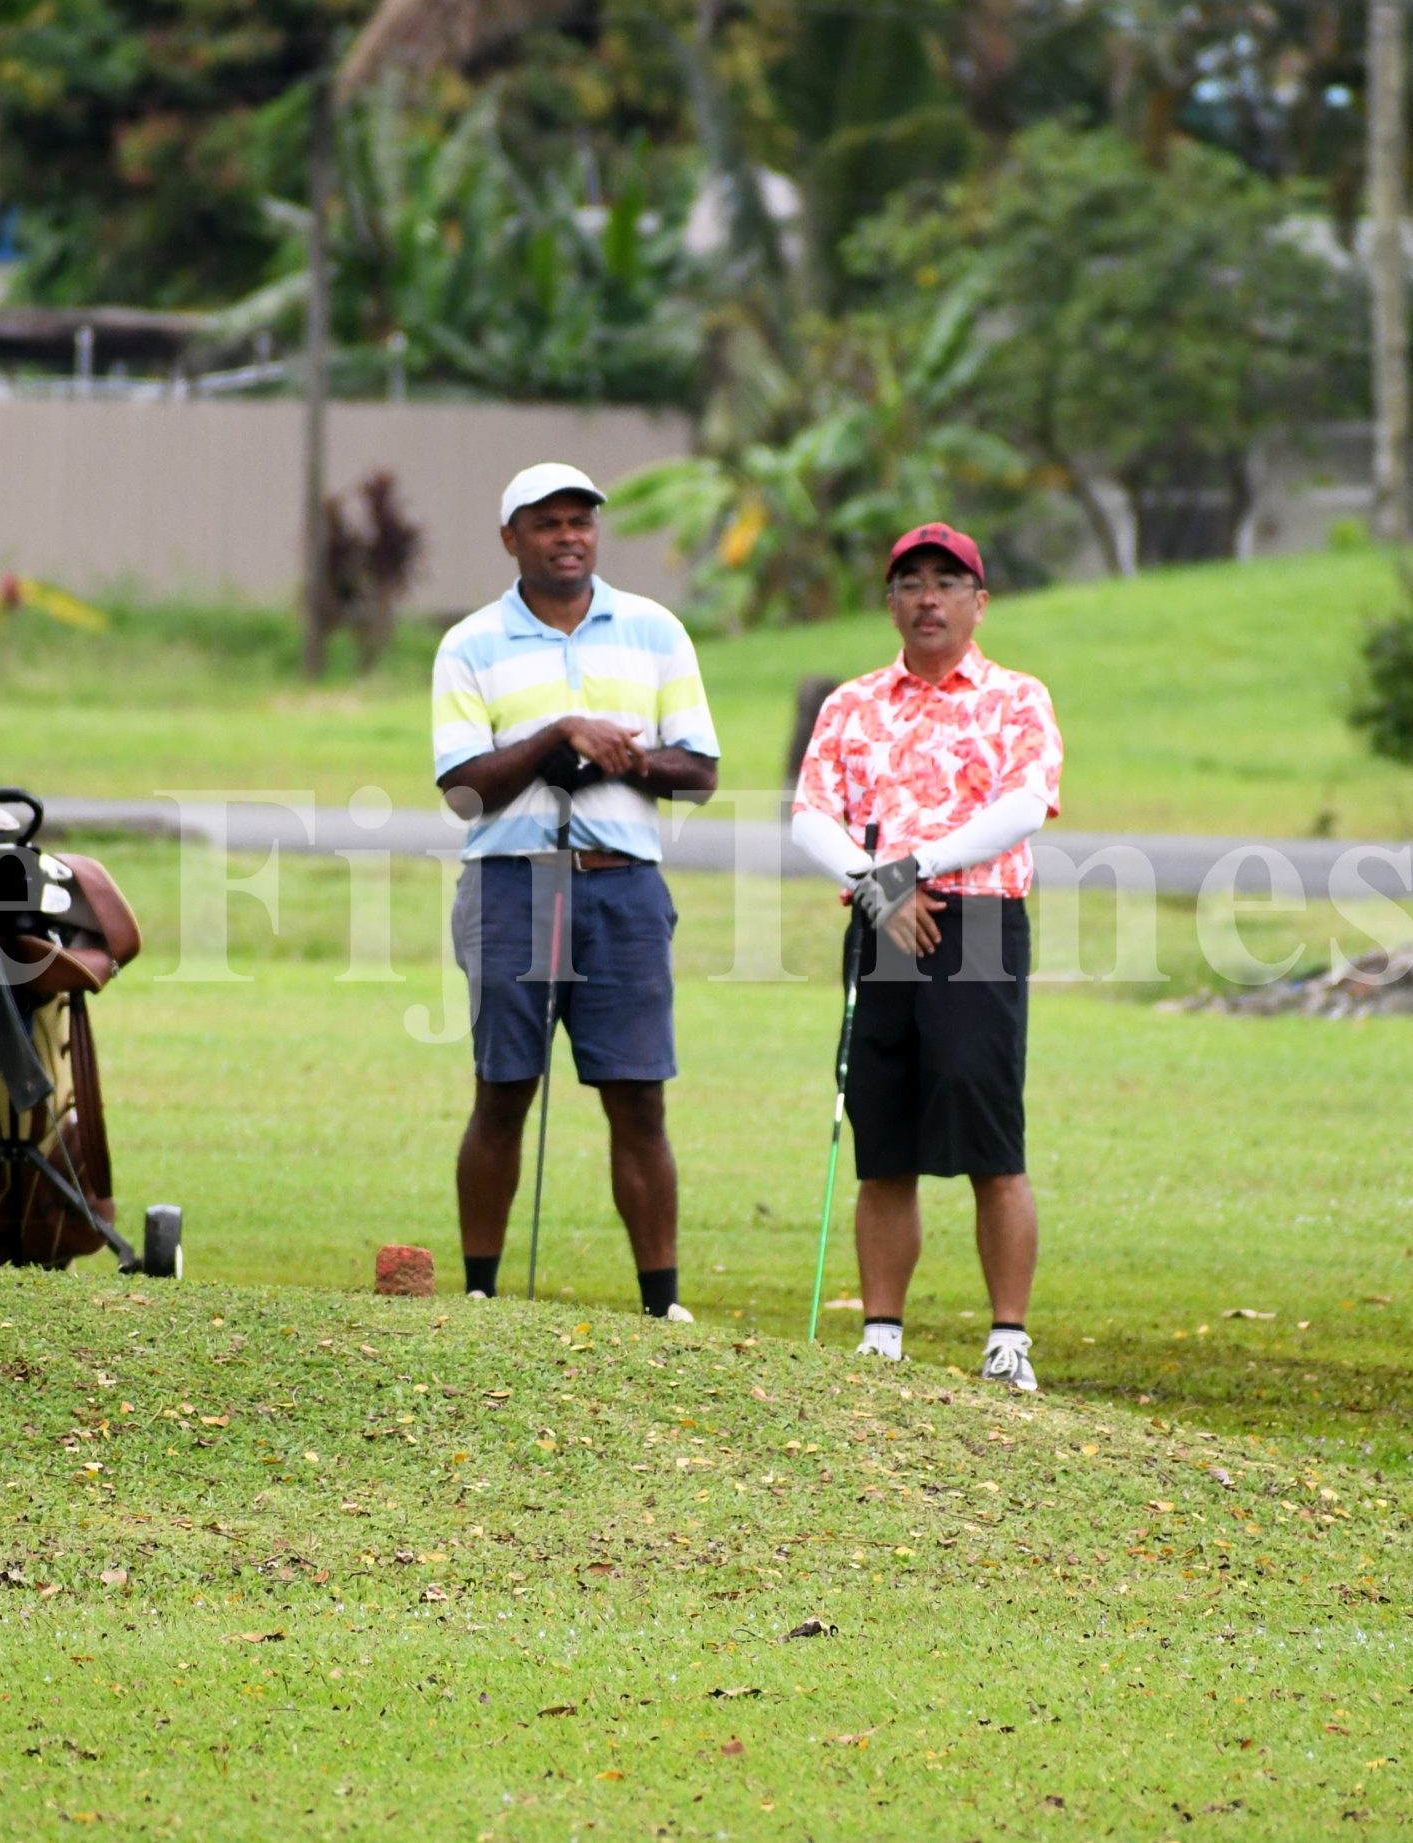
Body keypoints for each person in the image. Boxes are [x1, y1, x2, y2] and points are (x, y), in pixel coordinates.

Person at [432, 462, 721, 1319]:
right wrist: (556, 735)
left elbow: (699, 772)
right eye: (548, 523)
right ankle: (481, 1290)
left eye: (581, 521)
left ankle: (661, 1302)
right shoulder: (471, 643)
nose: (569, 536)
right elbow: (463, 789)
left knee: (639, 1098)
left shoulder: (656, 631)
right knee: (503, 1090)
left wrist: (610, 759)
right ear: (510, 538)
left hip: (621, 888)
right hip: (511, 886)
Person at [789, 522, 1062, 1390]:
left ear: (979, 602)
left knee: (990, 1133)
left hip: (976, 924)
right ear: (891, 602)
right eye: (911, 583)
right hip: (881, 922)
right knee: (884, 1137)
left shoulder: (1015, 698)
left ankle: (1008, 1339)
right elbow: (810, 815)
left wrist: (915, 867)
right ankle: (881, 1335)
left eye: (947, 583)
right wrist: (875, 884)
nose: (928, 598)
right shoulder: (853, 704)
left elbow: (1024, 804)